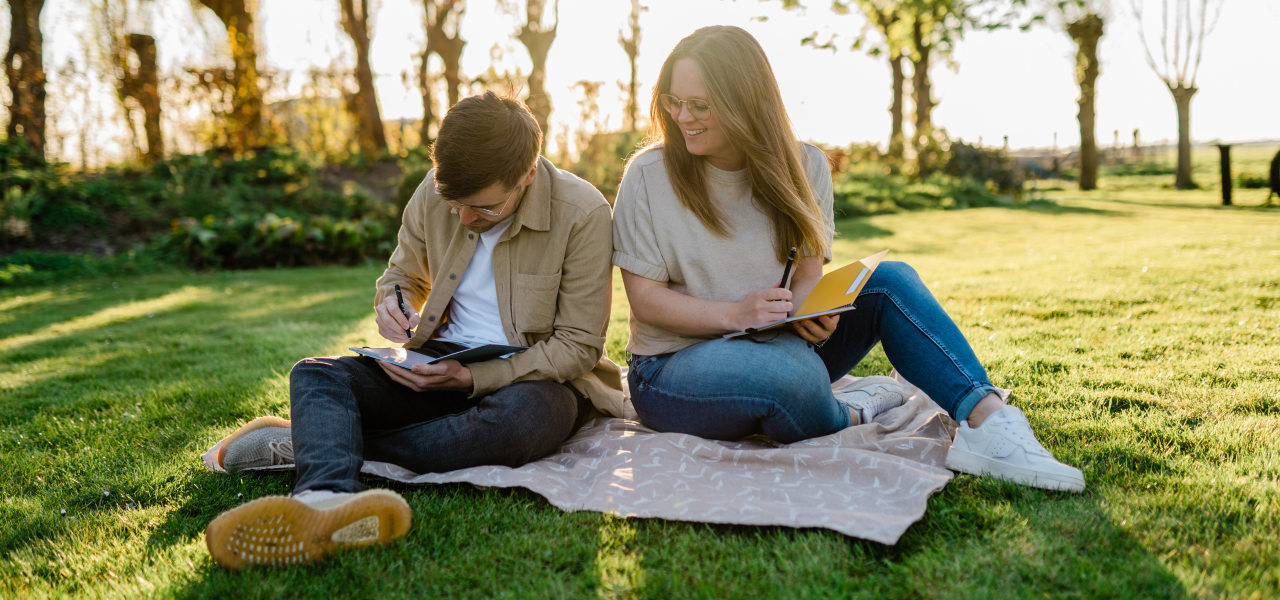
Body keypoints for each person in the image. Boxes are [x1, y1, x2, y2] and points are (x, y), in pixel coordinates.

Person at [613, 26, 1084, 493]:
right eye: (673, 102)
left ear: (744, 101)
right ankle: (850, 410)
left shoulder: (806, 166)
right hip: (672, 369)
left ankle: (989, 424)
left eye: (700, 105)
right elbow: (646, 302)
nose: (682, 118)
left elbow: (806, 275)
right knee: (790, 378)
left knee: (890, 280)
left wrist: (811, 312)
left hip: (779, 342)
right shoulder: (649, 175)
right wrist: (735, 315)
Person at [204, 92, 624, 570]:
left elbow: (578, 346)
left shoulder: (584, 213)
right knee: (317, 374)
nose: (464, 218)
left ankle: (314, 445)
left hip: (530, 383)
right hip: (434, 362)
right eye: (455, 204)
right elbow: (400, 277)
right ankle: (325, 499)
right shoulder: (433, 190)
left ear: (527, 175)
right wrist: (392, 306)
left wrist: (471, 380)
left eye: (483, 208)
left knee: (527, 421)